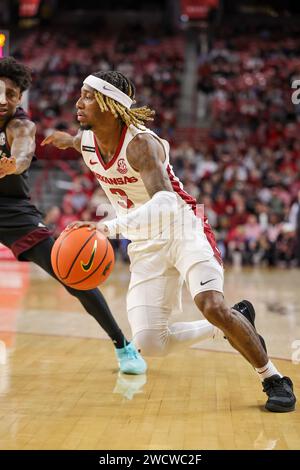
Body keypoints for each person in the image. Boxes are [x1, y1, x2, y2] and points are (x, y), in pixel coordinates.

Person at [43, 70, 296, 412]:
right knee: (151, 341)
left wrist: (106, 228)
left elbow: (163, 202)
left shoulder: (142, 144)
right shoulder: (87, 140)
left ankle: (273, 378)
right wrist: (64, 139)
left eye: (88, 96)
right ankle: (231, 323)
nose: (79, 101)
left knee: (210, 304)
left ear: (111, 106)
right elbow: (79, 142)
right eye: (81, 94)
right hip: (146, 243)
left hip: (181, 226)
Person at [0, 57, 146, 376]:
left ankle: (123, 345)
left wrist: (15, 163)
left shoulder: (20, 125)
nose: (5, 100)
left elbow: (24, 150)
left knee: (69, 272)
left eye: (12, 94)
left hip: (9, 209)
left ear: (20, 98)